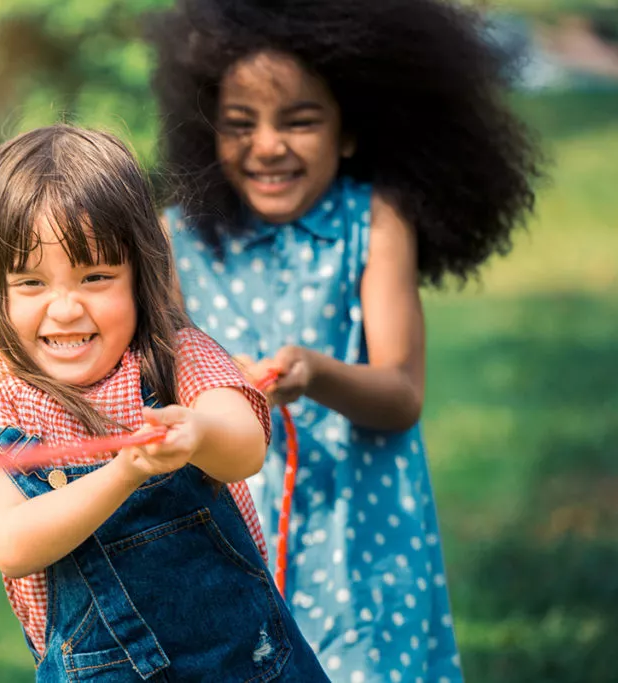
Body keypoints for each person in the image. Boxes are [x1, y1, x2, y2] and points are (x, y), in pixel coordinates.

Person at [148, 0, 543, 681]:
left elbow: (402, 393)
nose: (268, 145)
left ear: (351, 129)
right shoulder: (178, 238)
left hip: (361, 533)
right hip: (234, 522)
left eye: (299, 121)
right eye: (240, 125)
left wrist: (316, 373)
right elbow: (155, 379)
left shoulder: (376, 221)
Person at [0, 124, 331, 682]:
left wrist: (199, 433)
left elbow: (245, 449)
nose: (65, 309)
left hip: (253, 662)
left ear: (140, 274)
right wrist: (124, 472)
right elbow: (11, 543)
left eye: (95, 276)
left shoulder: (174, 353)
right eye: (30, 283)